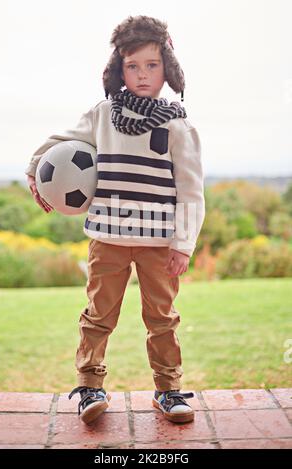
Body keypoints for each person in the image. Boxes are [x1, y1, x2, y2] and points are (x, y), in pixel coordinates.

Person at [25, 15, 205, 425]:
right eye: (133, 66)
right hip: (107, 239)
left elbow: (192, 191)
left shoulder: (179, 127)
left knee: (162, 319)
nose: (142, 75)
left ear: (168, 69)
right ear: (118, 69)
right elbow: (59, 142)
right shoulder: (103, 115)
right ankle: (90, 386)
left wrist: (183, 244)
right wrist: (35, 167)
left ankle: (169, 391)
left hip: (160, 243)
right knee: (98, 315)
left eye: (152, 65)